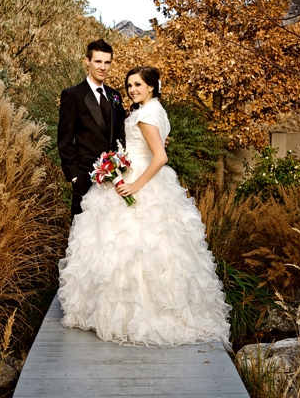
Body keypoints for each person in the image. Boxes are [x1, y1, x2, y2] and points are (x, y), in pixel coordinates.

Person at [57, 66, 232, 349]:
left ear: (152, 86)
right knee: (138, 249)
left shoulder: (147, 113)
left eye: (137, 84)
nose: (132, 90)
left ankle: (135, 315)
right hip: (136, 171)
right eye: (129, 85)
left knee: (134, 247)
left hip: (141, 179)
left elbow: (160, 156)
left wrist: (135, 186)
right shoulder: (153, 110)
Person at [57, 39, 126, 219]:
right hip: (85, 179)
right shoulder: (72, 95)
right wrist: (75, 176)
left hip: (115, 179)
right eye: (98, 61)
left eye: (107, 62)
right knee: (83, 235)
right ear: (87, 61)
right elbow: (64, 140)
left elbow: (123, 132)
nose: (103, 67)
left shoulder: (114, 95)